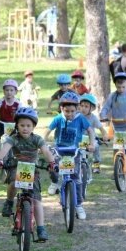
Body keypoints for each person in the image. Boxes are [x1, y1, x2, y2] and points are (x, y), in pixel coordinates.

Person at [0, 107, 57, 241]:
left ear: (33, 127)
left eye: (28, 125)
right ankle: (9, 202)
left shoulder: (37, 139)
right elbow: (5, 149)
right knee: (12, 182)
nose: (25, 128)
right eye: (22, 125)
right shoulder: (13, 139)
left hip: (32, 168)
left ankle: (41, 228)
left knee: (37, 200)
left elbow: (45, 151)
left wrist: (52, 163)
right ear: (17, 125)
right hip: (16, 166)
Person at [44, 91, 96, 220]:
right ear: (62, 108)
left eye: (73, 111)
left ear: (77, 109)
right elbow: (48, 130)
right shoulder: (58, 118)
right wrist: (43, 143)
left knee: (76, 179)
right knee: (52, 166)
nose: (70, 114)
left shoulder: (81, 119)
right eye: (67, 111)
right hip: (59, 149)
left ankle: (78, 204)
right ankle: (55, 182)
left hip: (74, 151)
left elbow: (90, 131)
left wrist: (92, 144)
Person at [79, 93, 108, 173]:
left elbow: (101, 129)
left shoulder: (93, 118)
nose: (83, 108)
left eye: (86, 106)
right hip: (79, 139)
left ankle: (96, 164)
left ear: (92, 108)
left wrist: (105, 135)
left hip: (90, 139)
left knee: (96, 147)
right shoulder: (77, 116)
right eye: (81, 106)